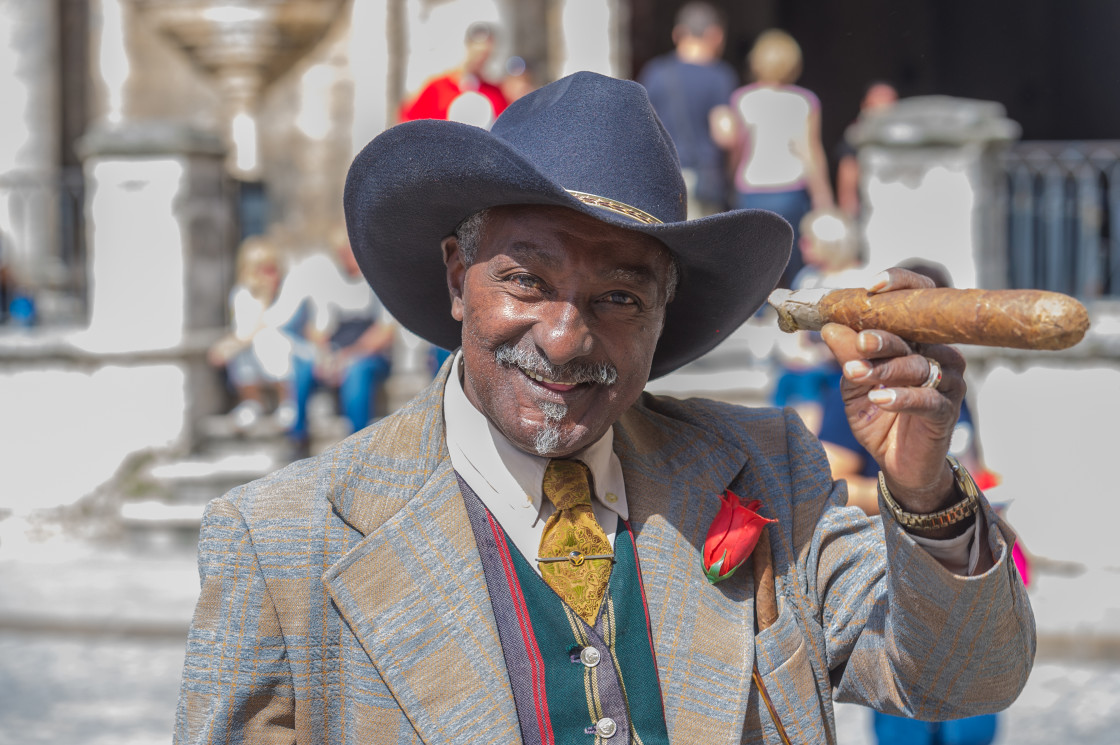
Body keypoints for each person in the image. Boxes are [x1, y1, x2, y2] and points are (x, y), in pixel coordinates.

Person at [175, 72, 1034, 744]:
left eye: (619, 297)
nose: (563, 338)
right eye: (526, 280)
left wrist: (924, 485)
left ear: (663, 318)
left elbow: (963, 678)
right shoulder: (282, 542)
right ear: (454, 279)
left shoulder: (767, 471)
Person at [816, 260, 1005, 745]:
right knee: (908, 730)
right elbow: (833, 485)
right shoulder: (864, 386)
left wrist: (963, 499)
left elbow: (966, 464)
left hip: (962, 572)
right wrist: (913, 493)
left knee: (975, 720)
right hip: (896, 585)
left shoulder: (949, 383)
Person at [713, 29, 834, 288]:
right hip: (790, 189)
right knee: (794, 256)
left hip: (752, 188)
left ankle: (757, 311)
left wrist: (730, 181)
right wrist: (824, 197)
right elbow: (811, 151)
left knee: (754, 258)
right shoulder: (804, 101)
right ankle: (798, 305)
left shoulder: (742, 99)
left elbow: (738, 149)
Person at [283, 227, 395, 458]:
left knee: (356, 370)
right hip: (338, 353)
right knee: (303, 366)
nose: (346, 256)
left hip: (370, 358)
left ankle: (359, 441)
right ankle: (298, 434)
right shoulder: (330, 283)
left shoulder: (378, 282)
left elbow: (385, 332)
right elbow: (317, 329)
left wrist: (350, 355)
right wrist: (325, 356)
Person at [638, 2, 739, 218]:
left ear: (678, 34)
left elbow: (641, 126)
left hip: (663, 178)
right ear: (716, 35)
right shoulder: (719, 76)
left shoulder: (655, 72)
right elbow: (725, 135)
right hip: (704, 181)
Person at [206, 235, 299, 430]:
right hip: (254, 353)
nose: (271, 275)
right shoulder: (242, 295)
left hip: (291, 351)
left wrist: (228, 345)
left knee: (268, 340)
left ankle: (287, 401)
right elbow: (245, 331)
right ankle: (252, 402)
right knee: (244, 350)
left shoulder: (288, 292)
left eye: (273, 269)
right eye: (264, 270)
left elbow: (271, 323)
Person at [398, 21, 509, 129]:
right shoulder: (438, 88)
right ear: (468, 48)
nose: (480, 60)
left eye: (486, 55)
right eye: (478, 53)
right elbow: (408, 123)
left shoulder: (495, 94)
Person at [836, 81, 898, 217]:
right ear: (864, 106)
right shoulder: (855, 137)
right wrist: (849, 218)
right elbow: (847, 185)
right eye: (876, 106)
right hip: (869, 212)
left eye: (888, 106)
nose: (882, 112)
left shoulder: (908, 138)